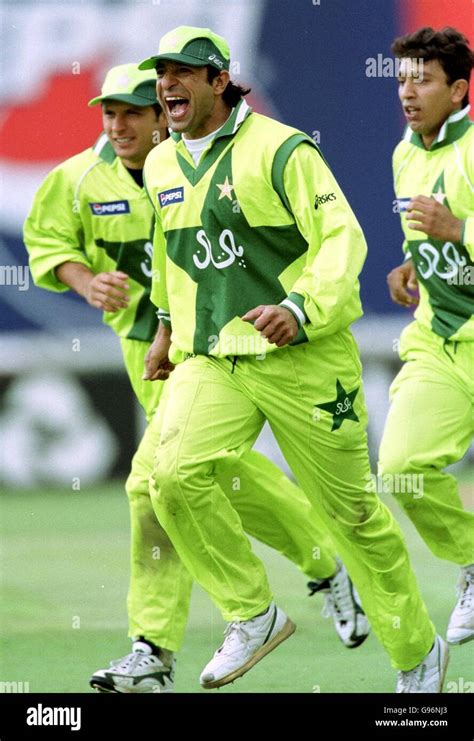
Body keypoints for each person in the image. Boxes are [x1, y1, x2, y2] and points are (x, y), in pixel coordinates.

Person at [23, 63, 369, 694]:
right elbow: (47, 244)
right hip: (146, 352)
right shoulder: (76, 178)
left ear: (163, 118)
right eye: (110, 114)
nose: (120, 125)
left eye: (134, 112)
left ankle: (157, 649)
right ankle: (323, 566)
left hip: (208, 349)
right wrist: (84, 280)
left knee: (153, 485)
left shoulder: (201, 167)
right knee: (208, 477)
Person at [141, 25, 447, 693]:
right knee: (169, 474)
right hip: (214, 354)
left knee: (354, 516)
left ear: (218, 81)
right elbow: (171, 254)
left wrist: (300, 308)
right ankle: (252, 612)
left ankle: (417, 653)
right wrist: (165, 326)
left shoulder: (281, 150)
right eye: (162, 72)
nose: (168, 84)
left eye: (184, 72)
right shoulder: (161, 163)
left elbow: (343, 240)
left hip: (303, 357)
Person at [379, 27, 474, 646]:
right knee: (402, 467)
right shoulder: (404, 154)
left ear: (460, 89)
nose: (408, 93)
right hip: (441, 336)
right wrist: (414, 258)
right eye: (402, 80)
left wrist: (459, 229)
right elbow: (431, 232)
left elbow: (451, 224)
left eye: (424, 80)